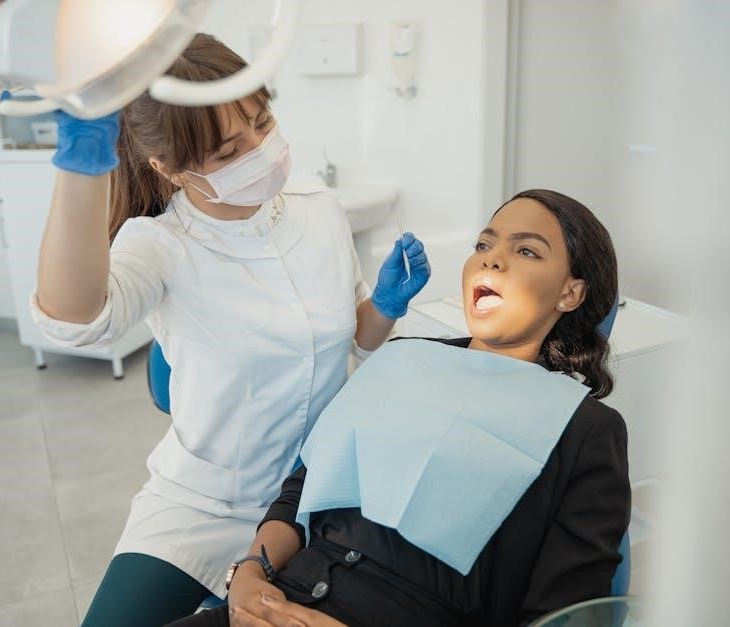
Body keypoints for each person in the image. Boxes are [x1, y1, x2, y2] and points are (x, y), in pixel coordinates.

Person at [30, 34, 431, 626]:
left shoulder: (318, 207)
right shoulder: (160, 246)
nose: (260, 151)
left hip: (315, 496)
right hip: (205, 503)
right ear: (169, 168)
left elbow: (357, 337)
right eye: (228, 152)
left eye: (263, 123)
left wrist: (386, 306)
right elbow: (74, 319)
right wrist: (81, 167)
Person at [171, 189, 631, 627]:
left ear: (570, 294)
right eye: (483, 244)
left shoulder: (584, 430)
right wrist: (249, 576)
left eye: (527, 250)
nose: (492, 258)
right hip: (276, 602)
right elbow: (303, 490)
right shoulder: (402, 359)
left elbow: (565, 616)